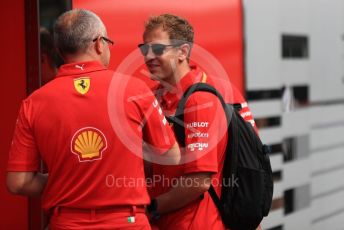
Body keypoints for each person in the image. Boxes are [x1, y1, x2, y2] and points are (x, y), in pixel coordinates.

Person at [7, 9, 180, 229]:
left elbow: (18, 183)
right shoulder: (134, 89)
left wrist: (71, 177)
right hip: (127, 222)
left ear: (59, 50)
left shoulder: (34, 103)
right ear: (99, 43)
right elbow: (171, 156)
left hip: (67, 223)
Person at [139, 14, 260, 229]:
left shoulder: (211, 95)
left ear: (182, 52)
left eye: (157, 49)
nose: (148, 56)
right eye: (144, 49)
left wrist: (152, 207)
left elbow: (246, 163)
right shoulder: (151, 97)